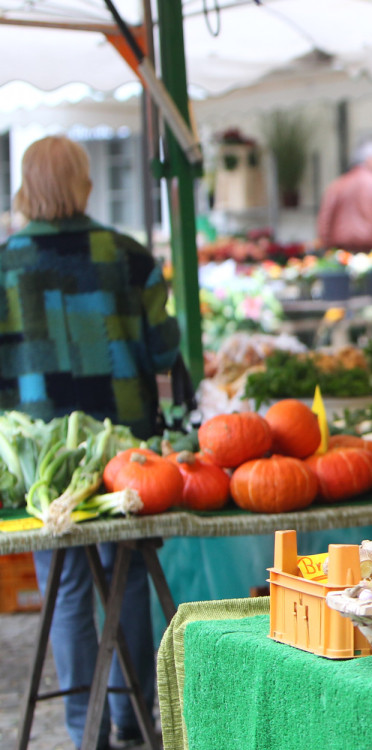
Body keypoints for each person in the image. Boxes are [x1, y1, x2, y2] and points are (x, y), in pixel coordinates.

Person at [2, 136, 180, 750]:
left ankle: (85, 732)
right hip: (126, 449)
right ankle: (135, 720)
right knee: (126, 575)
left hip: (43, 459)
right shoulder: (129, 257)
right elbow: (166, 351)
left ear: (26, 186)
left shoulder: (5, 264)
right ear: (85, 183)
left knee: (67, 583)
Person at [316, 140, 372, 252]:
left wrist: (329, 251)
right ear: (370, 159)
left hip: (343, 254)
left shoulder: (336, 186)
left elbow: (324, 223)